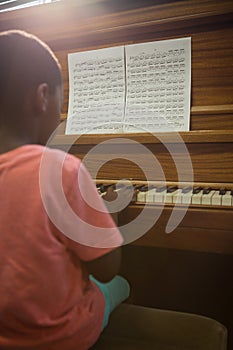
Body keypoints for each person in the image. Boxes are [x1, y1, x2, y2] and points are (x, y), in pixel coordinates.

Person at [0, 30, 130, 350]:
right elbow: (107, 265)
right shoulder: (60, 169)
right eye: (62, 100)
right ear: (42, 97)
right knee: (120, 283)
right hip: (56, 337)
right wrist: (104, 211)